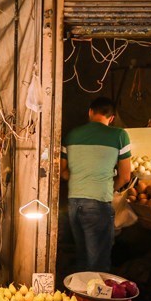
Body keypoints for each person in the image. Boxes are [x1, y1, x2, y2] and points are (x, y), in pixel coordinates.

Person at [60, 97, 131, 272]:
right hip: (98, 204)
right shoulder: (119, 135)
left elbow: (62, 171)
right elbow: (125, 176)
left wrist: (81, 181)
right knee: (98, 262)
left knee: (83, 257)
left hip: (74, 204)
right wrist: (109, 188)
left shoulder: (72, 135)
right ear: (112, 118)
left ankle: (79, 296)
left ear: (90, 112)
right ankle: (95, 297)